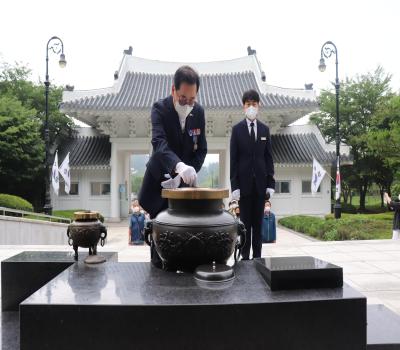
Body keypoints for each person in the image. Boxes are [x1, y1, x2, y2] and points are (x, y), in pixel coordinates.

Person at [138, 65, 207, 267]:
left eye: (192, 99)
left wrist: (189, 170)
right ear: (173, 90)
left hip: (183, 189)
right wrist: (177, 167)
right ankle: (157, 276)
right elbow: (159, 143)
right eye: (183, 98)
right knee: (160, 237)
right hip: (159, 183)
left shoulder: (199, 113)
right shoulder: (160, 109)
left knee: (184, 236)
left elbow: (201, 149)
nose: (187, 103)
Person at [230, 89, 275, 260]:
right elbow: (233, 160)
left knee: (258, 226)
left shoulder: (264, 130)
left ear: (259, 106)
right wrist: (235, 186)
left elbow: (268, 158)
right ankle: (245, 259)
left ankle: (257, 259)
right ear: (243, 106)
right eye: (248, 104)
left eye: (254, 104)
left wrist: (271, 183)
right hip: (244, 187)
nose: (251, 107)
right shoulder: (237, 130)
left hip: (261, 187)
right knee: (245, 226)